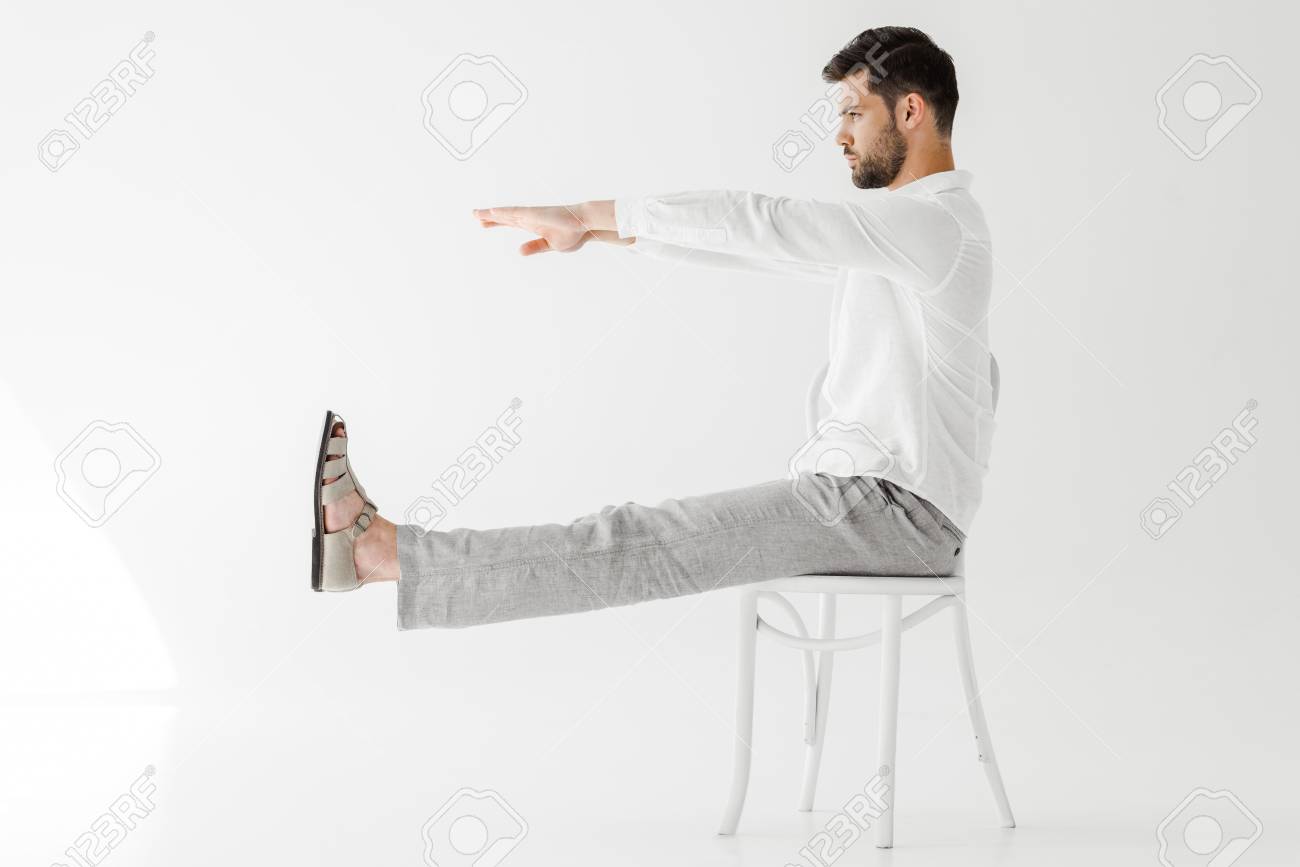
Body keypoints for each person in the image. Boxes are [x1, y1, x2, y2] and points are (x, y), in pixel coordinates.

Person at [310, 26, 996, 631]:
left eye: (853, 113)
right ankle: (385, 556)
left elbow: (768, 221)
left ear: (911, 111)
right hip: (879, 503)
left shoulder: (933, 225)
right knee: (634, 538)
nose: (840, 135)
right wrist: (601, 233)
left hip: (896, 514)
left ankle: (383, 555)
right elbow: (754, 247)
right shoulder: (907, 237)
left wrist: (589, 210)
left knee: (637, 540)